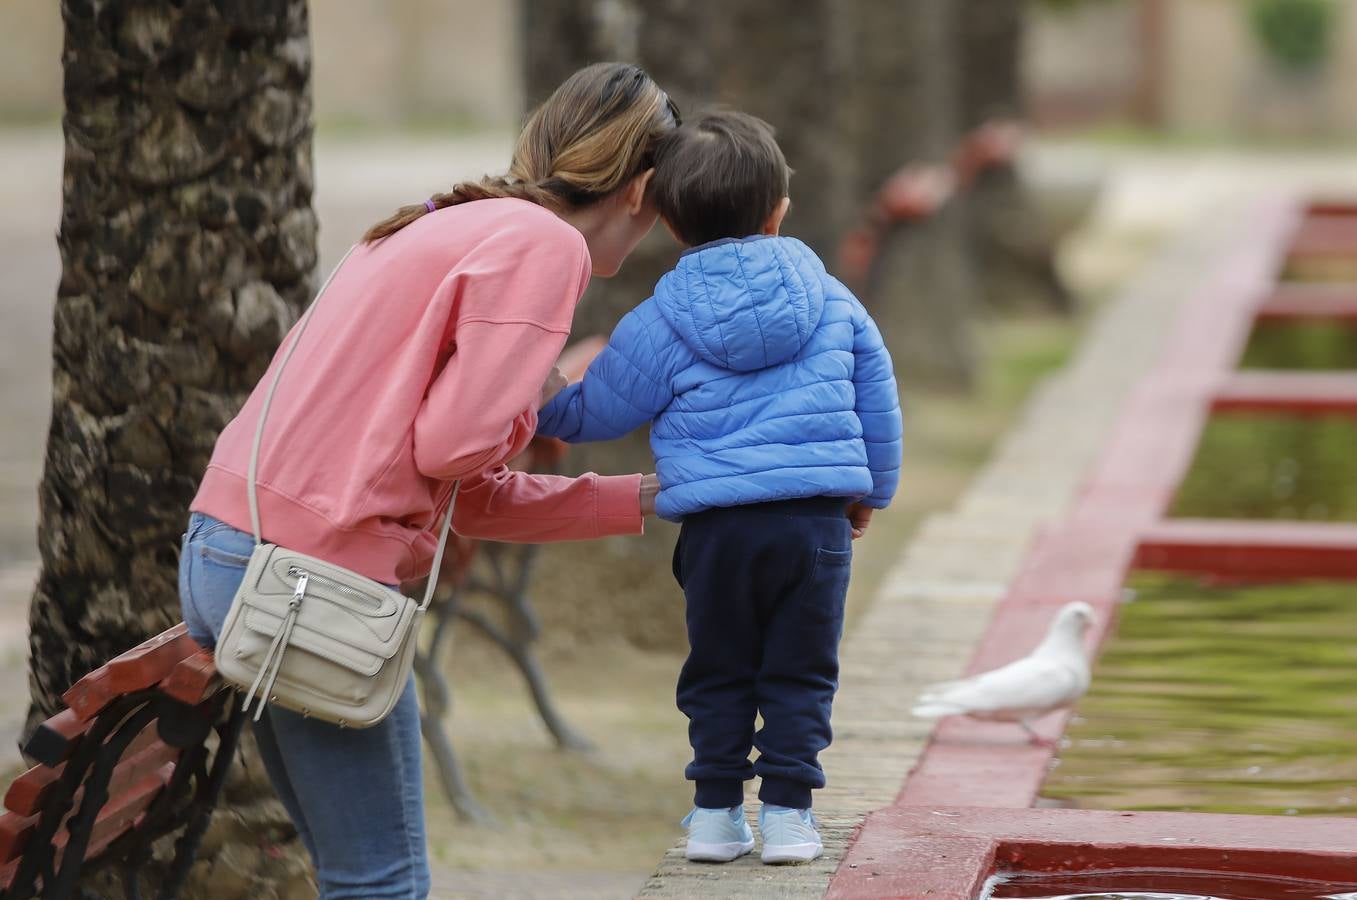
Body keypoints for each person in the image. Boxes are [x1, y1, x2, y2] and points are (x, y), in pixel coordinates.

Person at [177, 62, 677, 898]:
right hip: (310, 588)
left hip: (232, 560)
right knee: (381, 881)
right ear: (641, 189)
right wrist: (542, 393)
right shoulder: (546, 246)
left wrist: (642, 499)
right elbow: (456, 445)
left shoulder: (452, 222)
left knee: (354, 872)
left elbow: (459, 491)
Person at [537, 110, 903, 864]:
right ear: (777, 214)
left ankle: (712, 815)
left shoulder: (660, 319)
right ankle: (790, 818)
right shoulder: (833, 299)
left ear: (669, 224)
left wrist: (544, 381)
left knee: (720, 667)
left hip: (716, 534)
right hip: (814, 527)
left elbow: (589, 416)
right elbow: (878, 400)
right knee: (801, 671)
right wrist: (872, 492)